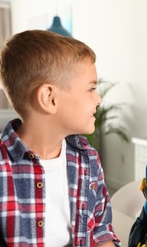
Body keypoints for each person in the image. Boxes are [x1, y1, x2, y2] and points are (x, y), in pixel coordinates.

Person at [0, 30, 120, 247]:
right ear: (49, 98)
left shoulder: (88, 158)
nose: (98, 98)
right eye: (91, 89)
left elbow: (102, 231)